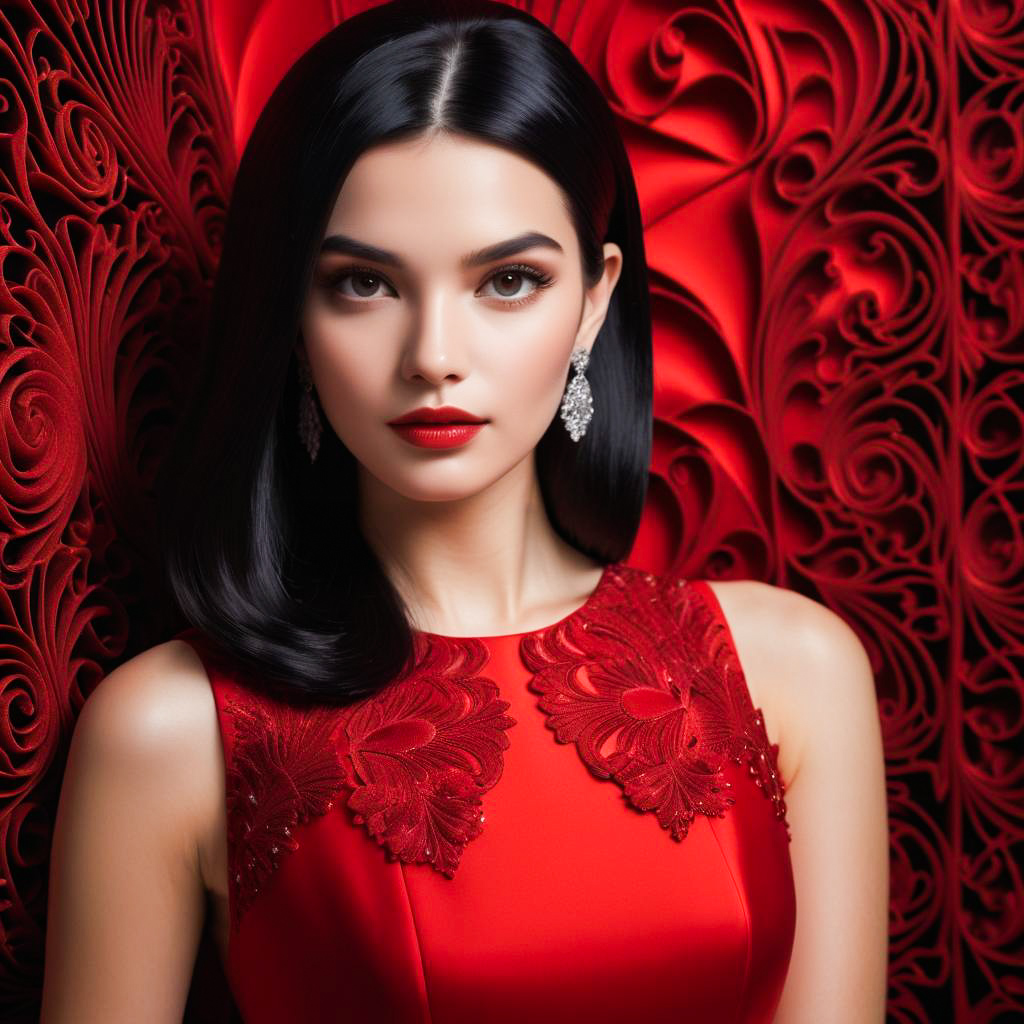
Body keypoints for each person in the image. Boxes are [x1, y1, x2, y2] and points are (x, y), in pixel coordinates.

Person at [40, 1, 889, 1021]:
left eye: (508, 280)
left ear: (593, 299)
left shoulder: (792, 671)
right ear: (292, 317)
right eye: (364, 283)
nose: (433, 352)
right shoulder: (169, 731)